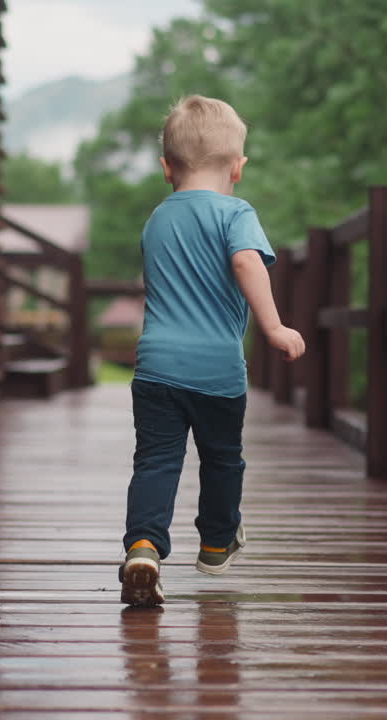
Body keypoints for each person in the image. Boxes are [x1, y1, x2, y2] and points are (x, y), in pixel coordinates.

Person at [119, 95, 305, 607]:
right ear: (238, 168)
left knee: (156, 460)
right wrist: (273, 325)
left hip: (155, 368)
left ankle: (143, 546)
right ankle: (217, 543)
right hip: (218, 372)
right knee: (223, 459)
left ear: (165, 168)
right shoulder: (236, 212)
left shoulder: (157, 219)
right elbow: (247, 264)